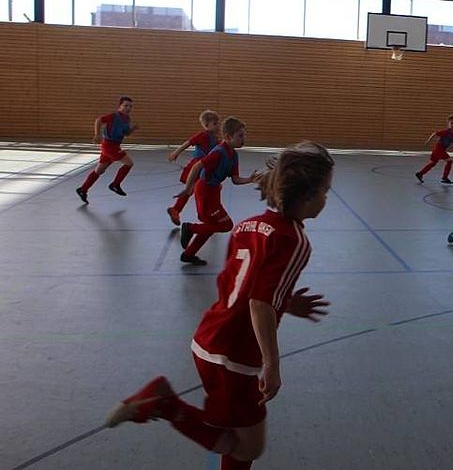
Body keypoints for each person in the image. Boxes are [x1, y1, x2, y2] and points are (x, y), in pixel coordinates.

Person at [105, 141, 336, 470]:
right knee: (248, 447)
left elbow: (235, 286)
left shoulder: (247, 225)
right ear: (307, 195)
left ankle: (165, 402)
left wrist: (284, 300)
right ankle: (164, 403)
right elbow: (259, 302)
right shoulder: (293, 240)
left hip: (209, 339)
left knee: (238, 439)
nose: (327, 198)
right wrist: (272, 363)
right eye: (325, 191)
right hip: (235, 356)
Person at [176, 117, 261, 265]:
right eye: (240, 136)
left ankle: (188, 254)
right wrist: (188, 188)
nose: (244, 139)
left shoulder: (234, 155)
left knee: (210, 225)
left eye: (244, 135)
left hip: (214, 192)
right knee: (225, 225)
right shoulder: (219, 152)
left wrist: (250, 179)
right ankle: (190, 228)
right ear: (228, 137)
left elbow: (235, 179)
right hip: (205, 191)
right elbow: (197, 167)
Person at [76, 96, 139, 203]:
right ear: (120, 106)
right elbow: (99, 120)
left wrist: (132, 129)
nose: (128, 108)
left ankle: (83, 189)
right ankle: (115, 184)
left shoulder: (127, 119)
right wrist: (97, 134)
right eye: (126, 106)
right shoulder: (114, 116)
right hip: (109, 145)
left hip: (114, 145)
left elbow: (126, 133)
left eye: (130, 106)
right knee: (129, 163)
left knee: (99, 170)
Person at [166, 110, 221, 226]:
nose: (218, 126)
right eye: (215, 124)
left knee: (201, 190)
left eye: (219, 123)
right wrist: (176, 152)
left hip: (207, 167)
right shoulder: (203, 135)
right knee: (196, 190)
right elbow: (188, 142)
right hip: (198, 166)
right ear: (207, 125)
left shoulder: (216, 139)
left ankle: (176, 209)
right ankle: (203, 213)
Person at [415, 115, 453, 185]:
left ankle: (420, 174)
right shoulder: (445, 132)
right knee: (450, 161)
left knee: (433, 163)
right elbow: (435, 133)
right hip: (439, 149)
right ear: (448, 124)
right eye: (451, 123)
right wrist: (428, 141)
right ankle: (445, 177)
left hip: (438, 150)